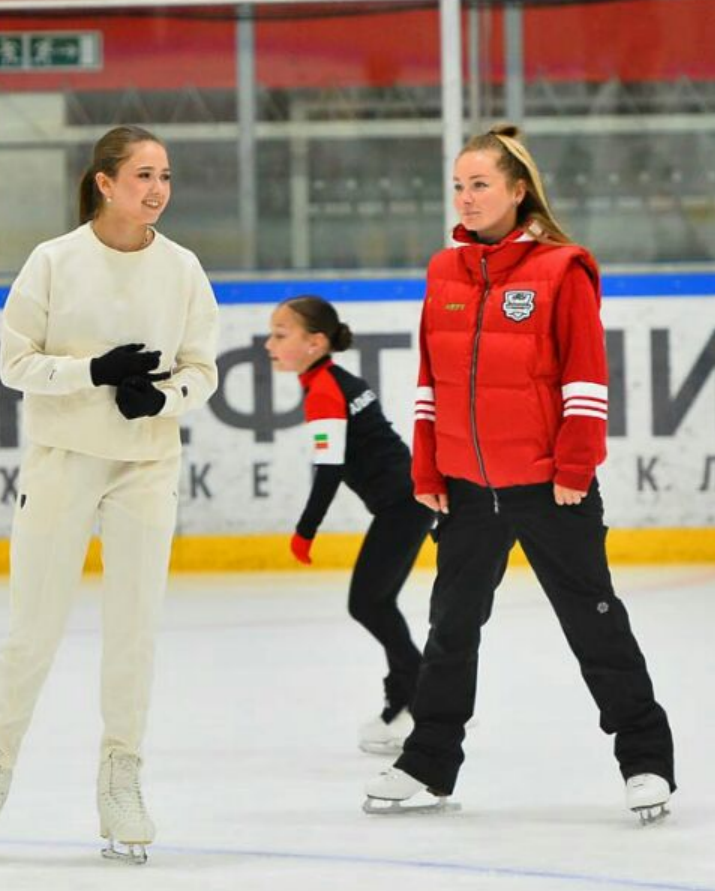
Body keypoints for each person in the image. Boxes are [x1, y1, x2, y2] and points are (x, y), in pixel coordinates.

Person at [363, 124, 675, 824]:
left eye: (480, 184)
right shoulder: (444, 272)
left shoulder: (562, 269)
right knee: (450, 628)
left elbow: (585, 378)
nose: (466, 198)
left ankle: (646, 760)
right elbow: (431, 383)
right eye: (458, 186)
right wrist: (427, 464)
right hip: (466, 488)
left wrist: (575, 463)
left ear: (517, 190)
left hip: (548, 485)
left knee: (593, 623)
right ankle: (427, 764)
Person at [0, 125, 219, 864]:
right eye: (143, 175)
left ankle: (121, 778)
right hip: (62, 462)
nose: (157, 190)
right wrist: (92, 371)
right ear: (104, 182)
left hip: (146, 465)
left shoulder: (182, 268)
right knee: (31, 630)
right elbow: (15, 363)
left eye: (165, 176)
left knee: (134, 630)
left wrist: (161, 400)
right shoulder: (54, 261)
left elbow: (202, 369)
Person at [266, 296, 434, 754]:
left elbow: (330, 469)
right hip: (409, 500)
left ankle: (422, 696)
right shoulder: (335, 381)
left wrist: (306, 530)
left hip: (404, 504)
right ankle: (416, 694)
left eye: (280, 335)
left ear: (315, 342)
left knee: (368, 603)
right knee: (375, 603)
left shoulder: (325, 390)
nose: (269, 345)